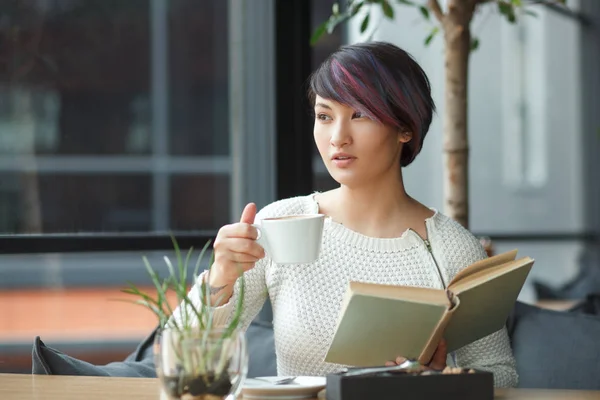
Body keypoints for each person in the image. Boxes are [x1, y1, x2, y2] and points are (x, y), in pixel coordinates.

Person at [172, 41, 518, 387]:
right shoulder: (282, 222)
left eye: (360, 114)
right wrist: (222, 276)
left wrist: (438, 384)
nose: (338, 137)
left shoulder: (454, 247)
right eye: (325, 116)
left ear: (405, 128)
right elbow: (180, 355)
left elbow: (501, 375)